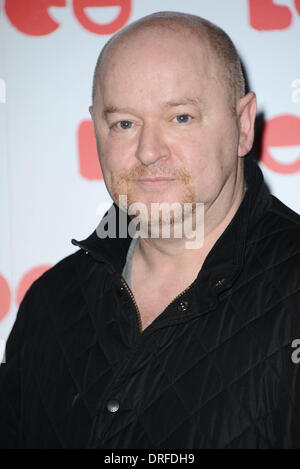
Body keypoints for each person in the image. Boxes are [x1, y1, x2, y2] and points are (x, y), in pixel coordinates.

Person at [1, 11, 300, 449]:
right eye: (124, 123)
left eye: (180, 117)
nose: (147, 150)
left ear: (242, 124)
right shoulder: (51, 302)